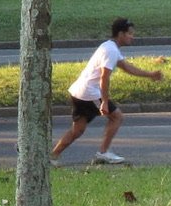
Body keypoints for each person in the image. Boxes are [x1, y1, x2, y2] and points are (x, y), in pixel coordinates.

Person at [52, 17, 165, 165]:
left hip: (79, 91)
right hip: (89, 93)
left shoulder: (109, 47)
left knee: (78, 130)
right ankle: (103, 153)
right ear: (120, 34)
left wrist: (150, 75)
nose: (133, 36)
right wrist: (104, 102)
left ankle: (52, 156)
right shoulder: (110, 50)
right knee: (116, 117)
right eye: (130, 33)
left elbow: (126, 67)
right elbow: (104, 77)